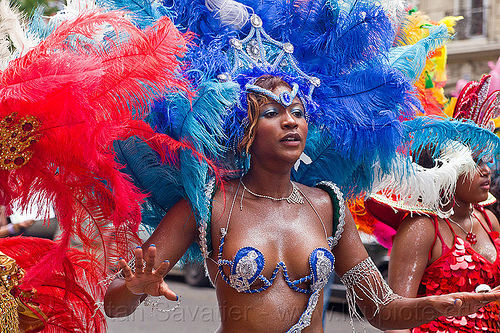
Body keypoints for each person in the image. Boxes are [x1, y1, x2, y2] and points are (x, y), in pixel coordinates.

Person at [104, 73, 500, 332]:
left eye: (298, 112)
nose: (291, 121)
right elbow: (114, 307)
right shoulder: (209, 205)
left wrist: (442, 304)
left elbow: (381, 309)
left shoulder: (328, 205)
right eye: (273, 113)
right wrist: (136, 288)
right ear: (245, 133)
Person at [363, 75, 500, 333]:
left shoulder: (488, 219)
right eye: (475, 162)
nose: (486, 170)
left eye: (488, 161)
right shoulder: (422, 228)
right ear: (447, 167)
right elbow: (397, 320)